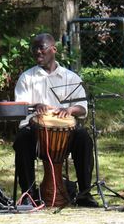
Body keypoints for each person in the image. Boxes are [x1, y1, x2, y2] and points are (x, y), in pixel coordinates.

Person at [12, 32, 98, 207]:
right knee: (21, 140)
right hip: (36, 134)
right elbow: (18, 107)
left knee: (84, 139)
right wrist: (35, 107)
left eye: (41, 48)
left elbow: (82, 108)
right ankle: (28, 195)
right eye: (34, 48)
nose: (37, 52)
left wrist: (70, 109)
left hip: (65, 136)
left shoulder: (70, 78)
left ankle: (84, 193)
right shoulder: (27, 78)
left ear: (54, 49)